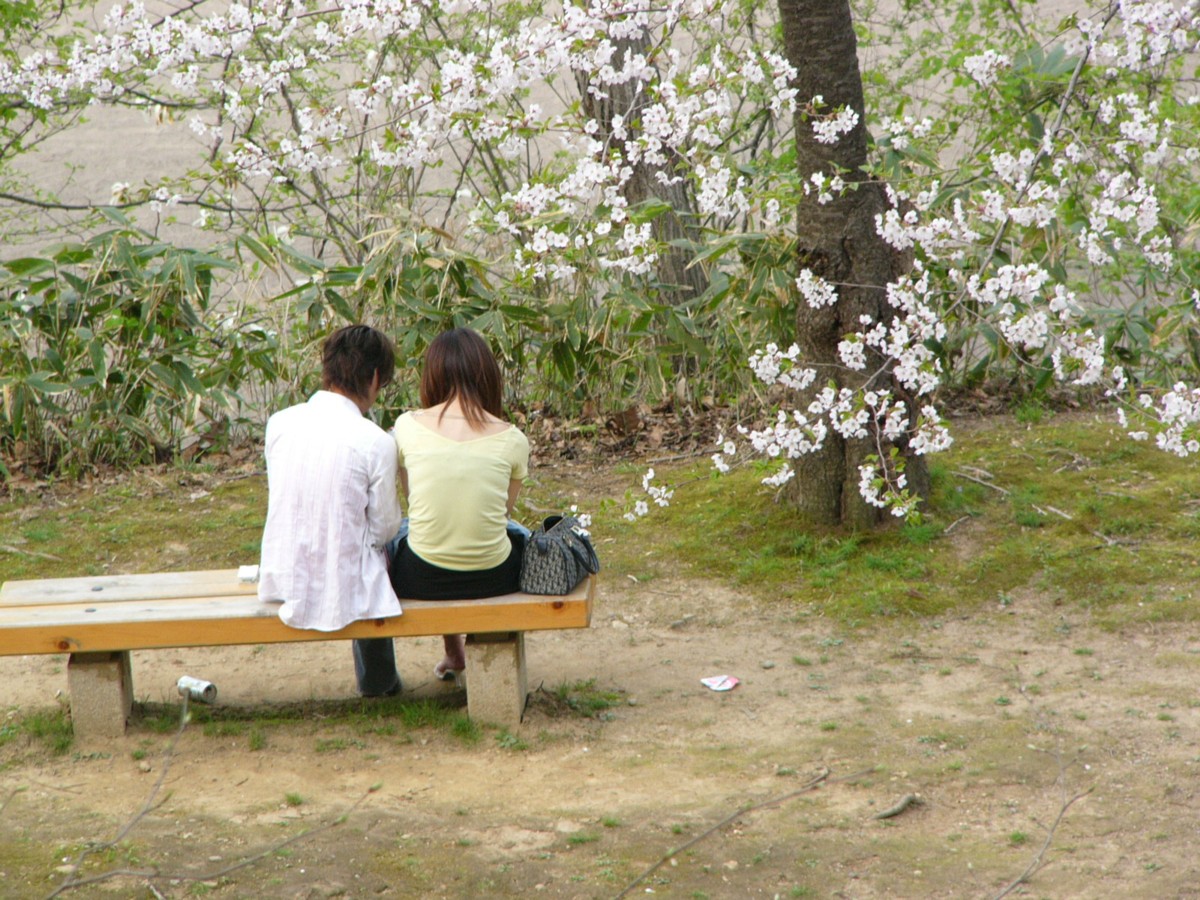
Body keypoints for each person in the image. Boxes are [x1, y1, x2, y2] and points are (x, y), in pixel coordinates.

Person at [257, 324, 406, 698]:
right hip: (342, 577)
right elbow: (384, 528)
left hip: (284, 568)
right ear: (374, 378)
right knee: (389, 544)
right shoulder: (376, 441)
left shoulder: (279, 423)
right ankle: (379, 681)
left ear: (327, 370)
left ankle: (381, 681)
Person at [385, 326, 530, 680]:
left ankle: (452, 651)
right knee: (514, 530)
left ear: (432, 376)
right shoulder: (513, 439)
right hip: (496, 577)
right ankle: (461, 653)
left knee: (416, 529)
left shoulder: (406, 427)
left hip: (419, 577)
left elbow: (416, 505)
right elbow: (502, 514)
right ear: (487, 376)